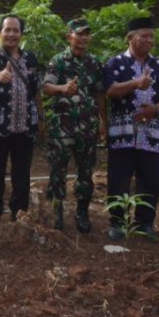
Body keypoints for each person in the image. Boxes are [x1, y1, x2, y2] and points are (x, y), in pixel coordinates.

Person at [42, 19, 105, 233]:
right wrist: (63, 88)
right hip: (63, 127)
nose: (84, 38)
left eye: (87, 33)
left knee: (86, 171)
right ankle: (57, 211)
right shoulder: (58, 61)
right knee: (58, 170)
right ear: (69, 36)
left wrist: (103, 121)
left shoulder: (95, 63)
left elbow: (99, 94)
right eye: (80, 34)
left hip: (87, 126)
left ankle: (82, 212)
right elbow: (47, 88)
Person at [0, 14, 43, 228]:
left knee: (22, 173)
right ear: (0, 33)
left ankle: (19, 210)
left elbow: (36, 91)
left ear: (21, 34)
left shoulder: (31, 59)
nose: (11, 34)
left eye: (16, 30)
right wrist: (0, 76)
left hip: (25, 126)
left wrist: (40, 118)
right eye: (7, 30)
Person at [103, 17, 159, 241]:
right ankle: (117, 222)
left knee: (150, 178)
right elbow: (111, 91)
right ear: (130, 38)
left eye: (152, 37)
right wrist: (136, 83)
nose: (150, 40)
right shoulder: (115, 63)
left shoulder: (158, 66)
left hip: (152, 134)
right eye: (144, 36)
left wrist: (154, 110)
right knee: (119, 178)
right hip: (123, 134)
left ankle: (144, 223)